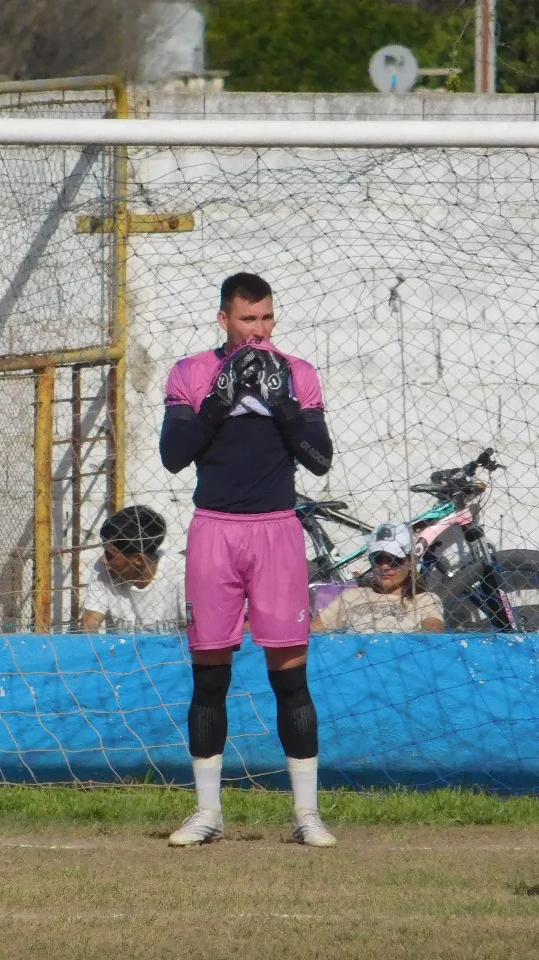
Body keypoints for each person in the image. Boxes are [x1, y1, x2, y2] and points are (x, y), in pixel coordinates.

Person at [158, 271, 335, 848]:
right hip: (215, 531)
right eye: (246, 320)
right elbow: (173, 456)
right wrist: (220, 399)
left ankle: (306, 815)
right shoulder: (191, 372)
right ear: (224, 319)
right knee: (210, 678)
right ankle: (208, 814)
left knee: (291, 678)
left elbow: (317, 459)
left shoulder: (299, 373)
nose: (258, 331)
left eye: (266, 319)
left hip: (276, 532)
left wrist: (282, 404)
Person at [311, 523, 443, 632]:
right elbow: (314, 629)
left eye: (393, 560)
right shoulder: (351, 596)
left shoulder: (424, 599)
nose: (384, 567)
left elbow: (432, 631)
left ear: (409, 563)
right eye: (377, 559)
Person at [79, 505, 185, 633]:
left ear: (139, 559)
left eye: (110, 555)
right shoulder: (104, 569)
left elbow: (197, 633)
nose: (103, 560)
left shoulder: (181, 572)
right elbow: (88, 628)